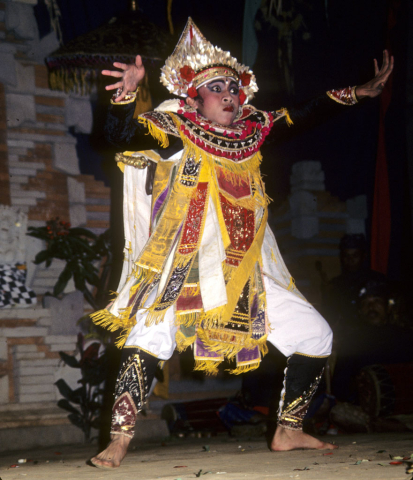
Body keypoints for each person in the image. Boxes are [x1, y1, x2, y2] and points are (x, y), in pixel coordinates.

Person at [90, 18, 393, 469]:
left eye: (234, 87)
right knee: (147, 339)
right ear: (194, 96)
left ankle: (289, 430)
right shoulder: (175, 129)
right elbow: (120, 136)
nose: (230, 94)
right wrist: (125, 96)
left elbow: (300, 114)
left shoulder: (251, 130)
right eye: (217, 87)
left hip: (248, 269)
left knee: (316, 336)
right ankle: (118, 440)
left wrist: (354, 93)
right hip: (184, 266)